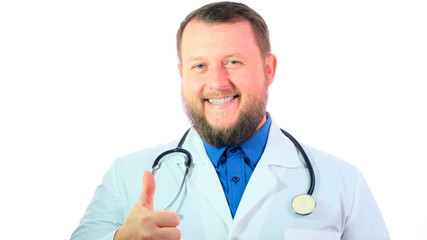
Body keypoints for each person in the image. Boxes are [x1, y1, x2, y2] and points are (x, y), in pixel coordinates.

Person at [71, 2, 390, 239]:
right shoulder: (127, 175)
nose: (218, 82)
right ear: (182, 74)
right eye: (200, 66)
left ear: (269, 69)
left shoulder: (343, 183)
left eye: (233, 62)